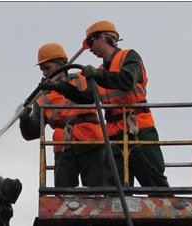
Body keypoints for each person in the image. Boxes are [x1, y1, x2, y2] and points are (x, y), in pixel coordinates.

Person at [41, 21, 169, 188]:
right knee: (115, 184)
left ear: (102, 38)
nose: (90, 49)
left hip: (139, 128)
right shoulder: (101, 70)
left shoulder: (128, 57)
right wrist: (59, 87)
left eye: (91, 43)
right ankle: (120, 213)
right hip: (114, 133)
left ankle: (167, 207)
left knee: (152, 176)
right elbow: (85, 99)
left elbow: (126, 80)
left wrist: (97, 74)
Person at [19, 43, 105, 188]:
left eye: (48, 68)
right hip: (63, 148)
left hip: (91, 142)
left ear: (61, 65)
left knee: (98, 192)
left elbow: (93, 96)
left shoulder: (83, 78)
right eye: (42, 69)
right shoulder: (41, 97)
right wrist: (24, 119)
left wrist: (60, 86)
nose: (45, 73)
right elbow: (32, 133)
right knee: (62, 195)